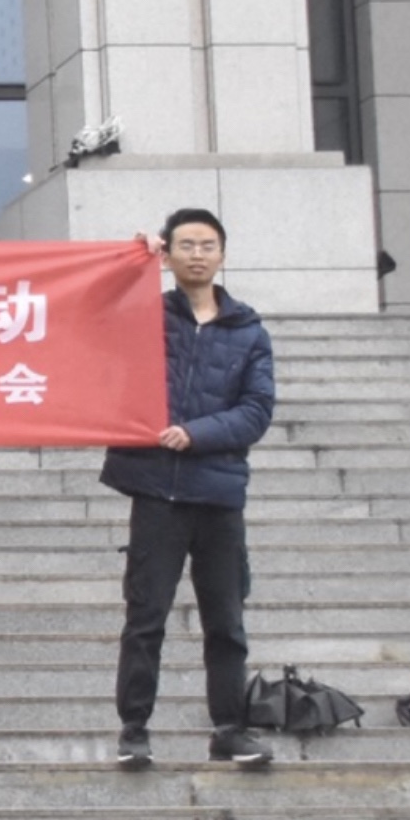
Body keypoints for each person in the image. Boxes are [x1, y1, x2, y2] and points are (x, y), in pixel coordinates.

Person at [103, 209, 278, 771]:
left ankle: (229, 729)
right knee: (145, 617)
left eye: (207, 245)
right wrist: (132, 264)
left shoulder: (248, 331)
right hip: (156, 491)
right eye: (185, 245)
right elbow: (96, 319)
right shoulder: (147, 316)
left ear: (222, 254)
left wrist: (197, 433)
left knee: (225, 621)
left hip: (218, 496)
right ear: (170, 254)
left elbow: (257, 410)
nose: (197, 254)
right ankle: (134, 730)